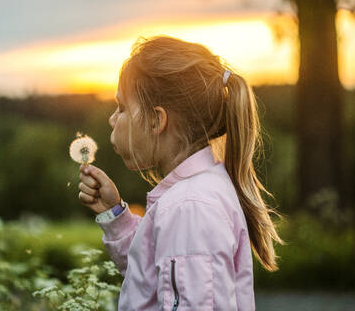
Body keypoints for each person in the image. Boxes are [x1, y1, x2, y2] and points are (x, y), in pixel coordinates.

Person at [78, 35, 284, 310]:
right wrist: (115, 214)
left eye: (122, 108)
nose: (112, 118)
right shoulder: (196, 193)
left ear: (157, 121)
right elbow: (151, 277)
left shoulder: (189, 207)